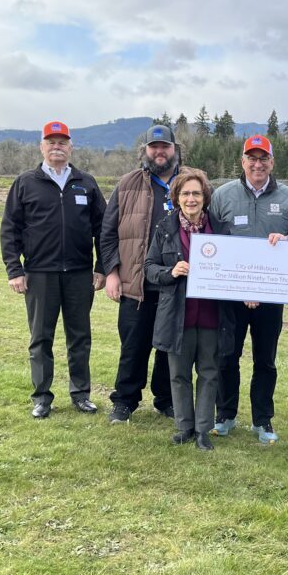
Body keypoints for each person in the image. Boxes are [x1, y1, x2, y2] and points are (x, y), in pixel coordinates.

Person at [0, 120, 106, 418]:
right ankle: (42, 397)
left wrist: (101, 267)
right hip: (40, 274)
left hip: (79, 274)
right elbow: (10, 229)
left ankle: (81, 394)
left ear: (71, 147)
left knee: (80, 337)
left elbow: (103, 228)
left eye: (62, 142)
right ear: (42, 147)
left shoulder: (86, 182)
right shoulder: (25, 183)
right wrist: (14, 270)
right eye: (51, 142)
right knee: (41, 338)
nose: (57, 147)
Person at [208, 134, 288, 444]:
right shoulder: (222, 195)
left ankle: (262, 420)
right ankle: (225, 414)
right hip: (231, 295)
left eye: (263, 158)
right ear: (242, 162)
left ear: (272, 162)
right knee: (227, 355)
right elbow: (211, 237)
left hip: (271, 294)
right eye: (251, 158)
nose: (257, 164)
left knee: (265, 359)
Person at [144, 167, 234, 451]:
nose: (191, 199)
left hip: (211, 316)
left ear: (205, 197)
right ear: (177, 197)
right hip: (177, 316)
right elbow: (149, 268)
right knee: (179, 374)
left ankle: (203, 429)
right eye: (185, 193)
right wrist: (170, 271)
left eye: (196, 193)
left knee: (209, 372)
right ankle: (184, 427)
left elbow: (234, 267)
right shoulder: (165, 229)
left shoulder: (220, 229)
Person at [101, 124, 180, 423]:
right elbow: (108, 232)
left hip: (176, 282)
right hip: (136, 282)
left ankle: (167, 399)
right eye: (153, 147)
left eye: (165, 146)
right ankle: (125, 401)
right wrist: (111, 272)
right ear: (145, 150)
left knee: (170, 347)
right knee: (133, 346)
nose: (159, 152)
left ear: (174, 149)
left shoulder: (190, 181)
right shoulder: (127, 183)